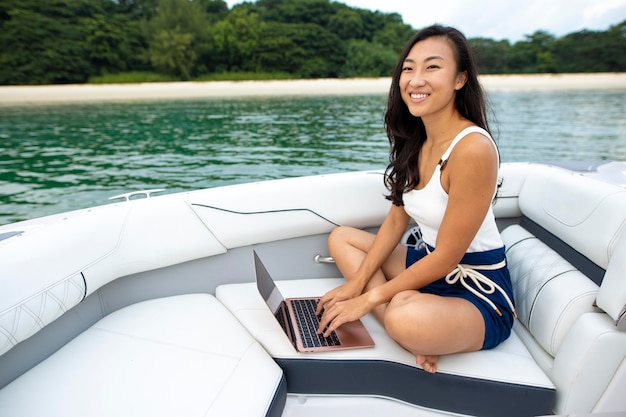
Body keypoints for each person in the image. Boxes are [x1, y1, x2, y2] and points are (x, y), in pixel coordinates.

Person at [316, 25, 516, 374]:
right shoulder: (418, 140)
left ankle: (409, 326)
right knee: (342, 238)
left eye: (432, 67)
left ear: (460, 79)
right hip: (426, 264)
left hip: (474, 289)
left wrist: (367, 298)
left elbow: (448, 257)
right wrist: (357, 282)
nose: (415, 79)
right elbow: (396, 220)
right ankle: (416, 331)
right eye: (408, 68)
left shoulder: (473, 149)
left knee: (404, 316)